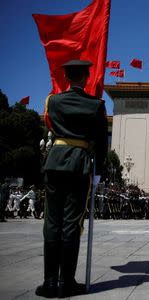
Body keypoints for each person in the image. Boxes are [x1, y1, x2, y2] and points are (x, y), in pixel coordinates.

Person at [36, 59, 108, 298]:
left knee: (52, 223)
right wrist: (99, 173)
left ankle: (49, 283)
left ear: (66, 78)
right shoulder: (95, 105)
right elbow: (100, 143)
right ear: (86, 78)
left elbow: (51, 125)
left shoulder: (52, 101)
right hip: (79, 164)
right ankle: (66, 282)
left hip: (55, 162)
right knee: (71, 224)